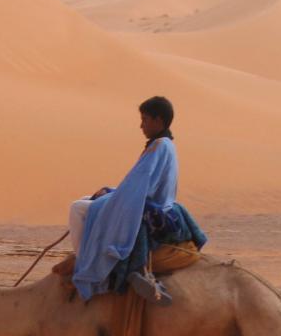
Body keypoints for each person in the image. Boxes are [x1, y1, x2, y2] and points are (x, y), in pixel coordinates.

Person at [70, 96, 203, 304]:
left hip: (144, 204)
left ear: (158, 121)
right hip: (142, 199)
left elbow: (140, 188)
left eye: (145, 120)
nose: (141, 125)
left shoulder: (159, 146)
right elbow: (136, 184)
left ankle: (85, 262)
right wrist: (111, 191)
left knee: (77, 208)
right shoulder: (165, 145)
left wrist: (112, 194)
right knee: (87, 200)